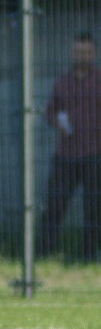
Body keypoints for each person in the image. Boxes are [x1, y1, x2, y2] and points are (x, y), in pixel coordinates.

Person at [38, 32, 101, 260]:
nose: (81, 56)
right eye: (77, 52)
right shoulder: (62, 82)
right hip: (66, 154)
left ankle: (89, 256)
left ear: (93, 54)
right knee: (54, 205)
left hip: (95, 154)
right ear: (72, 53)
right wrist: (57, 122)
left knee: (93, 209)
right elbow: (49, 113)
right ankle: (45, 255)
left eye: (85, 52)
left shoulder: (99, 80)